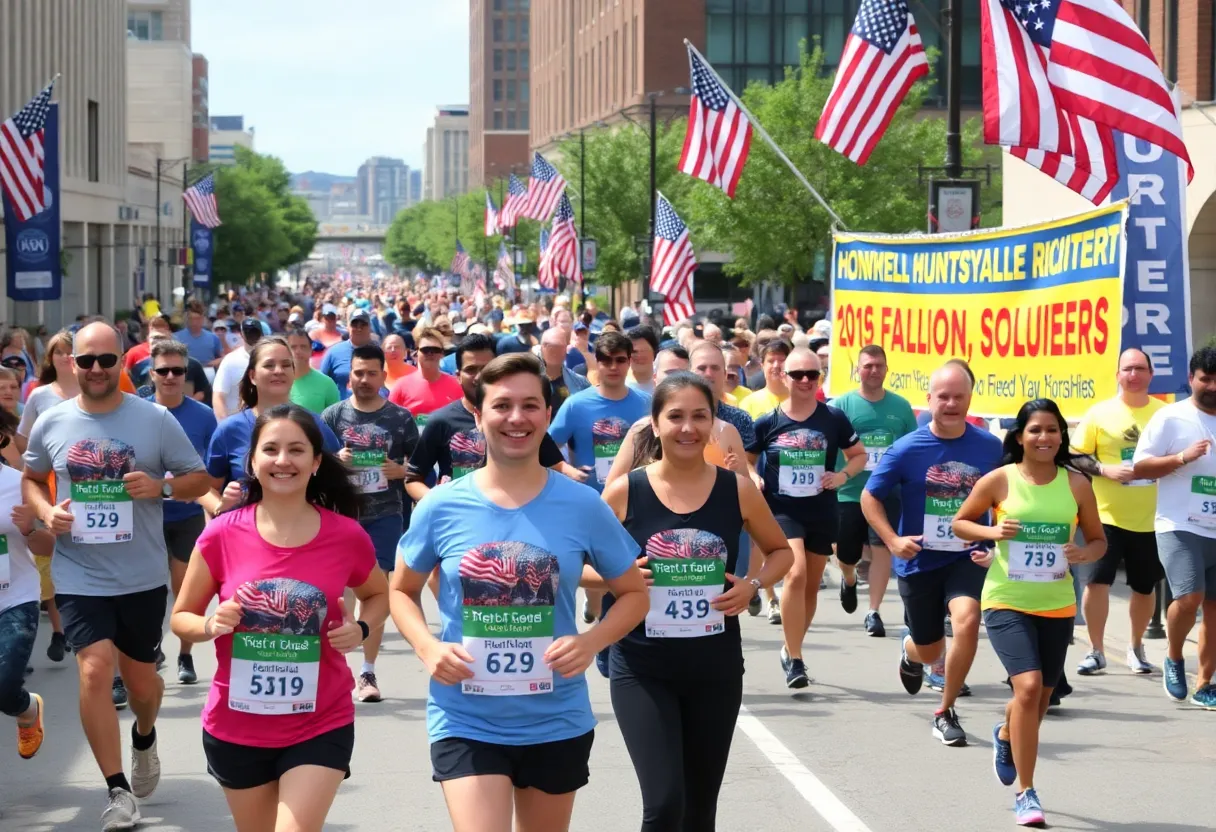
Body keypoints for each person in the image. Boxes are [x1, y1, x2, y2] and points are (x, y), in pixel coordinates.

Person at [390, 353, 648, 832]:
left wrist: (591, 642)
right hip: (466, 717)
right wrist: (427, 648)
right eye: (502, 405)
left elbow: (633, 592)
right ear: (477, 414)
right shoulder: (441, 506)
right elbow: (400, 590)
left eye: (531, 406)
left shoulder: (583, 504)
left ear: (548, 417)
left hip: (556, 717)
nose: (516, 418)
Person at [21, 320, 213, 829]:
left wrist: (162, 487)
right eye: (87, 361)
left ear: (122, 362)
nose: (98, 369)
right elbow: (31, 479)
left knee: (143, 682)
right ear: (72, 363)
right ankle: (116, 790)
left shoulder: (152, 419)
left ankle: (144, 737)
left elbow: (199, 479)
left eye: (108, 360)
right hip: (79, 571)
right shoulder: (52, 421)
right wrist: (45, 513)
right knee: (93, 668)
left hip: (142, 575)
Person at [170, 404, 389, 832]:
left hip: (319, 720)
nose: (283, 460)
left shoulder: (346, 535)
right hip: (236, 727)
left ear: (316, 461)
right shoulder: (221, 532)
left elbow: (379, 593)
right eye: (270, 449)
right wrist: (212, 625)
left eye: (296, 450)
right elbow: (181, 617)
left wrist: (360, 629)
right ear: (252, 460)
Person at [599, 373, 792, 829]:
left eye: (699, 416)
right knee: (665, 803)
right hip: (643, 667)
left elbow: (781, 552)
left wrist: (752, 583)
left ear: (714, 423)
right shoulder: (627, 490)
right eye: (676, 417)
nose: (688, 428)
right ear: (655, 423)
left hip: (715, 668)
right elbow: (577, 564)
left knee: (700, 810)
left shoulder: (736, 488)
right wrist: (620, 577)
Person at [953, 398, 1105, 827]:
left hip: (1056, 604)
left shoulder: (1077, 485)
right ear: (1020, 436)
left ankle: (1006, 731)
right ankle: (1027, 792)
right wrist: (991, 530)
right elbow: (961, 523)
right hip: (1006, 600)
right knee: (1028, 685)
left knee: (1037, 701)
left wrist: (1082, 552)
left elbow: (1098, 541)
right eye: (1035, 430)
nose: (1044, 438)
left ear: (1062, 436)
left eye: (1052, 430)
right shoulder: (999, 480)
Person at [862, 362, 1001, 746]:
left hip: (967, 556)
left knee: (968, 620)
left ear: (970, 399)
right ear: (929, 400)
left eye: (959, 396)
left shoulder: (990, 447)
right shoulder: (907, 448)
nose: (952, 403)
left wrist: (996, 541)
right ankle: (910, 653)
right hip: (919, 559)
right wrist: (891, 541)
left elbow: (1010, 495)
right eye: (944, 396)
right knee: (929, 648)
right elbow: (869, 496)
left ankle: (944, 709)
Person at [747, 347, 865, 688]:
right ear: (784, 377)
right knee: (795, 573)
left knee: (811, 586)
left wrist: (842, 477)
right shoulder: (769, 421)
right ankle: (797, 661)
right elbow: (745, 455)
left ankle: (790, 647)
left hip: (821, 509)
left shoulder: (833, 418)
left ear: (819, 378)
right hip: (781, 510)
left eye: (811, 374)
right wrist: (752, 475)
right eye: (796, 374)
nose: (803, 380)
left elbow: (857, 455)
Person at [322, 344, 419, 703]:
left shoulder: (400, 418)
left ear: (383, 375)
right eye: (358, 373)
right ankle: (338, 670)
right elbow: (313, 463)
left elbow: (421, 466)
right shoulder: (333, 416)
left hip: (385, 515)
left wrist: (402, 470)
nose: (364, 380)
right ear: (350, 376)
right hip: (340, 516)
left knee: (374, 592)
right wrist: (335, 458)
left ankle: (367, 670)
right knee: (338, 593)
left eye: (371, 373)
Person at [1069, 348, 1166, 675]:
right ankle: (1096, 651)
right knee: (1097, 582)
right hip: (1105, 516)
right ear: (1118, 375)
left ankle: (1136, 647)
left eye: (1140, 368)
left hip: (1153, 517)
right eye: (1127, 369)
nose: (1133, 374)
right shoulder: (1099, 413)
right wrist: (1104, 470)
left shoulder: (1166, 414)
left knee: (1144, 586)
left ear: (1151, 375)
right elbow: (1076, 456)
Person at [1131, 345, 1216, 707]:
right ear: (1191, 379)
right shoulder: (1171, 418)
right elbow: (1140, 467)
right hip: (1180, 524)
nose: (1212, 386)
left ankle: (1205, 683)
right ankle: (1175, 654)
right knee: (1189, 596)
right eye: (1206, 379)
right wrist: (1183, 457)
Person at [832, 345, 917, 637]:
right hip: (850, 492)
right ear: (858, 369)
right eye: (867, 365)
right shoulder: (842, 405)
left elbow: (911, 451)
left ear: (886, 369)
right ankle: (849, 577)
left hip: (885, 493)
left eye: (879, 365)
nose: (873, 370)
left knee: (882, 549)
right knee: (845, 554)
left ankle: (874, 611)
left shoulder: (901, 407)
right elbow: (832, 448)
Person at [147, 339, 218, 684]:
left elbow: (213, 469)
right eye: (164, 370)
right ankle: (151, 646)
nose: (171, 376)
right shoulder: (138, 412)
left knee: (184, 589)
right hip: (145, 516)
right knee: (148, 589)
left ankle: (185, 657)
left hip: (186, 516)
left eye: (178, 370)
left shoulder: (203, 416)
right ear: (152, 374)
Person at [205, 338, 341, 501]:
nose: (278, 371)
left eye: (285, 365)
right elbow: (209, 488)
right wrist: (221, 508)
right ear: (253, 376)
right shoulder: (229, 429)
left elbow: (336, 479)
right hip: (243, 525)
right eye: (269, 365)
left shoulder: (313, 424)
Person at [0, 408, 55, 760]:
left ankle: (26, 709)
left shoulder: (17, 485)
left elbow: (49, 545)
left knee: (4, 688)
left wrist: (29, 529)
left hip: (14, 599)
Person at [549, 331, 651, 493]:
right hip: (589, 501)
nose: (613, 367)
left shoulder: (648, 403)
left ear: (629, 362)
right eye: (606, 360)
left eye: (620, 360)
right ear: (597, 362)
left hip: (636, 500)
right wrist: (569, 471)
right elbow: (545, 447)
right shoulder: (576, 404)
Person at [388, 325, 462, 431]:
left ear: (442, 354)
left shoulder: (456, 385)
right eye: (426, 350)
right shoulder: (400, 386)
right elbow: (391, 423)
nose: (430, 353)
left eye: (435, 350)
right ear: (416, 352)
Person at [213, 319, 265, 422]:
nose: (252, 335)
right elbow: (218, 396)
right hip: (238, 423)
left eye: (255, 332)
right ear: (241, 334)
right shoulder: (230, 361)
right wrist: (223, 425)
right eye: (248, 332)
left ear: (261, 334)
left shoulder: (270, 359)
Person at [320, 309, 374, 399]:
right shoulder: (334, 352)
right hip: (340, 409)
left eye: (363, 324)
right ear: (348, 327)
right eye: (355, 324)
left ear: (370, 327)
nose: (359, 329)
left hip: (372, 409)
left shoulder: (379, 353)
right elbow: (321, 384)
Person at [287, 327, 341, 414]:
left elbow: (336, 420)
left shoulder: (326, 383)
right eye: (293, 347)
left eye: (303, 347)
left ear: (310, 350)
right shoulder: (278, 381)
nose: (298, 351)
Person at [539, 327, 589, 417]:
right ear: (542, 348)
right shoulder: (526, 381)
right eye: (550, 346)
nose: (555, 351)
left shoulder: (581, 384)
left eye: (559, 346)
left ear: (566, 349)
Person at [739, 339, 791, 420]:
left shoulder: (800, 400)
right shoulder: (749, 403)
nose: (776, 365)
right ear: (762, 366)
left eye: (782, 360)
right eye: (771, 361)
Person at [175, 301, 224, 370]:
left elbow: (222, 357)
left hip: (208, 375)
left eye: (197, 319)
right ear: (187, 319)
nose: (194, 322)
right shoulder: (176, 338)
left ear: (203, 319)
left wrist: (216, 362)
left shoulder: (213, 338)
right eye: (191, 319)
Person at [625, 325, 659, 395]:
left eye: (644, 351)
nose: (639, 356)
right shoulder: (619, 381)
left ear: (654, 352)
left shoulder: (663, 381)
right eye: (634, 351)